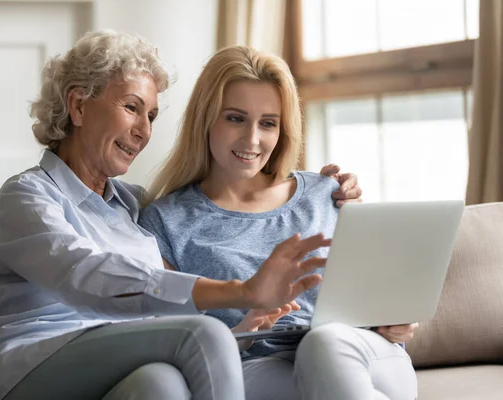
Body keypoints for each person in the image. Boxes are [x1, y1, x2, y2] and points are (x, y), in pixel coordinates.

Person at [0, 31, 360, 400]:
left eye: (151, 116)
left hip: (112, 355)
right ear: (78, 106)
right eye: (132, 108)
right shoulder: (26, 196)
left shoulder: (133, 206)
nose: (143, 130)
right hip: (25, 362)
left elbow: (159, 316)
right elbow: (87, 276)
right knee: (205, 334)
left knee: (161, 384)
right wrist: (242, 291)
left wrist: (242, 333)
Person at [139, 45, 419, 400]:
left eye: (268, 123)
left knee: (325, 342)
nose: (252, 140)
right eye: (235, 118)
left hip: (362, 356)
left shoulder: (326, 194)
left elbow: (380, 294)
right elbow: (170, 342)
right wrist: (244, 329)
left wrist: (395, 320)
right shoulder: (165, 222)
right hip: (259, 369)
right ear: (205, 118)